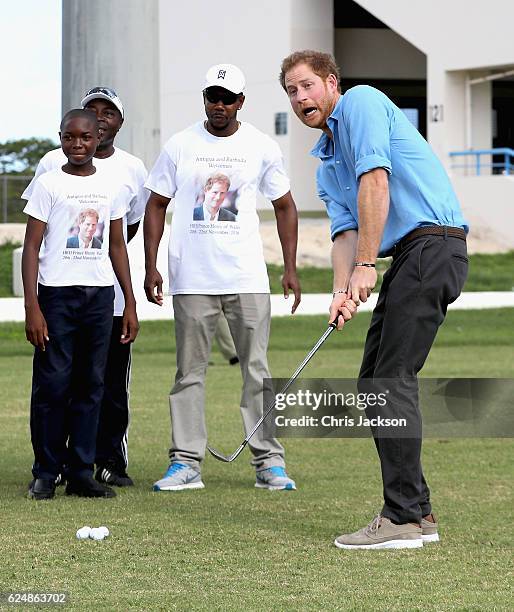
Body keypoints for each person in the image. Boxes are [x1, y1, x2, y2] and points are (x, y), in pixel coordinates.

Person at [281, 50, 468, 549]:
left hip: (433, 244)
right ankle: (419, 511)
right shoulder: (322, 162)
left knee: (391, 378)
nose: (301, 99)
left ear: (331, 83)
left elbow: (376, 181)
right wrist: (341, 292)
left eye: (307, 86)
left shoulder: (361, 102)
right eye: (292, 92)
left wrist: (367, 265)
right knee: (374, 382)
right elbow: (344, 233)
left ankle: (402, 516)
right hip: (412, 257)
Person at [144, 63, 301, 492]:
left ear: (241, 102)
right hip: (192, 278)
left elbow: (285, 205)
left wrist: (289, 267)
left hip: (247, 276)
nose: (219, 105)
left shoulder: (260, 146)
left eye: (227, 98)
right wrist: (151, 265)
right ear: (205, 100)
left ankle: (269, 462)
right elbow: (156, 204)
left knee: (257, 371)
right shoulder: (180, 145)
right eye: (212, 97)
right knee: (188, 373)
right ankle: (186, 463)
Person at [22, 86, 148, 487]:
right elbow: (31, 247)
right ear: (61, 140)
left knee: (93, 386)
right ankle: (46, 470)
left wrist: (129, 302)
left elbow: (117, 246)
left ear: (100, 138)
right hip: (57, 295)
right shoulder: (48, 183)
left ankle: (81, 472)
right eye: (70, 137)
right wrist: (32, 306)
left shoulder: (112, 185)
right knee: (54, 384)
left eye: (86, 137)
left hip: (100, 297)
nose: (78, 144)